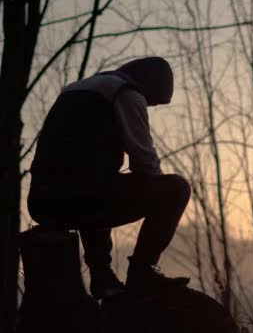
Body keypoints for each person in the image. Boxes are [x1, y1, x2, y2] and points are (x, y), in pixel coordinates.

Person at [27, 57, 191, 300]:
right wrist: (153, 187)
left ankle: (102, 277)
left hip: (43, 202)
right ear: (149, 84)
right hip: (79, 197)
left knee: (98, 183)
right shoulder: (125, 92)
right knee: (175, 190)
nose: (147, 106)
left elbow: (85, 172)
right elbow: (145, 162)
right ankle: (141, 273)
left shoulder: (80, 89)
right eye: (151, 102)